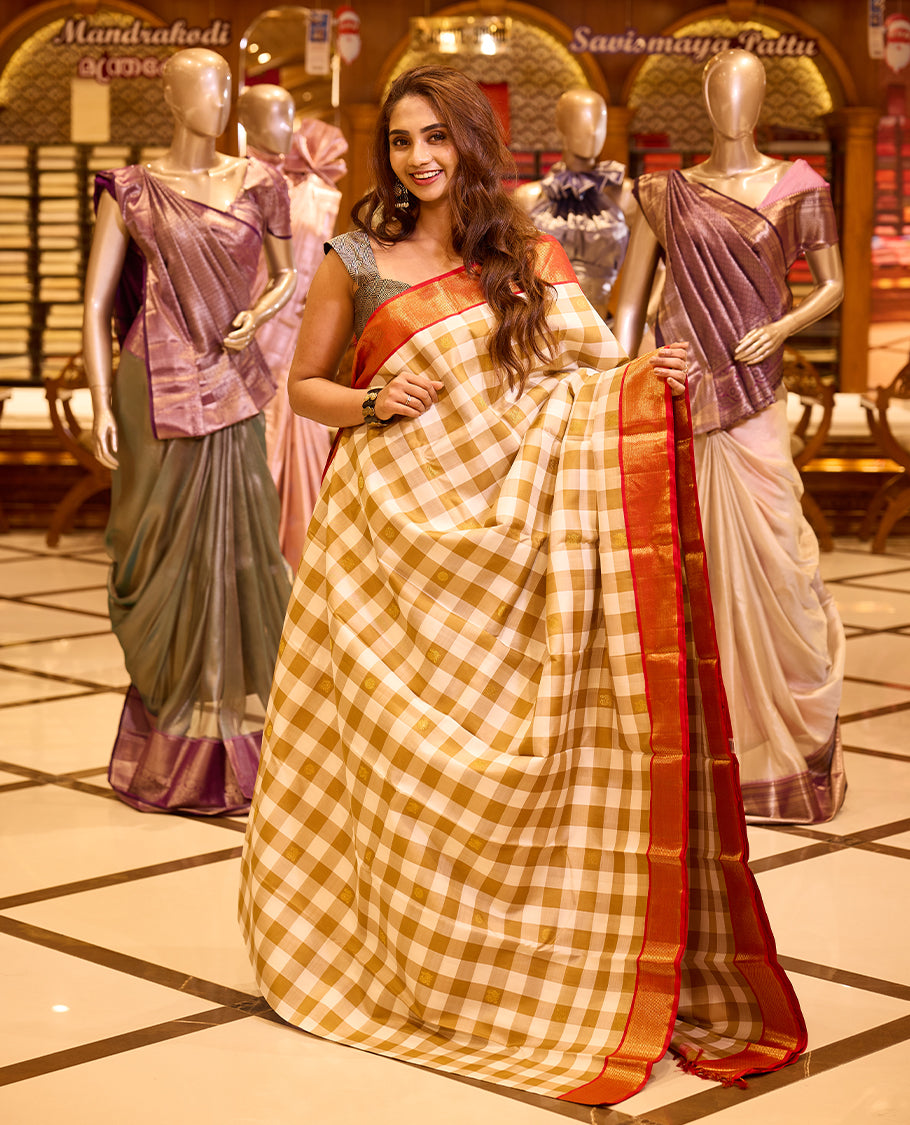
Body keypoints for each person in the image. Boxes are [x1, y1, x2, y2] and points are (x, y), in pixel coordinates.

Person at [239, 64, 806, 1106]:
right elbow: (305, 388)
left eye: (436, 139)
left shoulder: (528, 251)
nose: (419, 159)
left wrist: (645, 384)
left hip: (517, 531)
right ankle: (408, 958)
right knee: (405, 762)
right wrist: (368, 401)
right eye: (402, 141)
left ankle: (532, 967)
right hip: (391, 553)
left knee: (527, 751)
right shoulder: (352, 256)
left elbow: (583, 378)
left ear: (471, 144)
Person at [613, 48, 847, 825]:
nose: (733, 104)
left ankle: (786, 747)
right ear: (704, 100)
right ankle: (710, 755)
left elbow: (835, 283)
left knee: (779, 559)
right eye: (721, 89)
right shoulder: (661, 193)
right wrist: (634, 365)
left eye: (747, 88)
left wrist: (779, 326)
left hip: (757, 395)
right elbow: (629, 308)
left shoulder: (801, 187)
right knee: (694, 566)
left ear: (764, 97)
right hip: (686, 395)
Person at [82, 48, 297, 815]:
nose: (221, 99)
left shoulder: (259, 181)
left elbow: (286, 275)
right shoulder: (132, 190)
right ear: (173, 99)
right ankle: (170, 730)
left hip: (230, 383)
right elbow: (95, 303)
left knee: (241, 548)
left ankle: (235, 746)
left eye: (225, 85)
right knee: (155, 542)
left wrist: (258, 318)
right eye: (204, 87)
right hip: (152, 385)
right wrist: (102, 402)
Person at [239, 84, 348, 569]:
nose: (289, 128)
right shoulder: (233, 181)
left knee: (291, 425)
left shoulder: (314, 191)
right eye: (276, 117)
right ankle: (247, 552)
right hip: (242, 331)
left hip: (293, 331)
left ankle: (287, 553)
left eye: (291, 117)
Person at [513, 87, 632, 321]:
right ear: (561, 127)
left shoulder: (626, 195)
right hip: (542, 327)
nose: (591, 132)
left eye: (599, 122)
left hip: (606, 325)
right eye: (582, 121)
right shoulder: (528, 198)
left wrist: (638, 320)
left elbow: (654, 269)